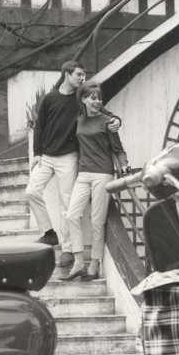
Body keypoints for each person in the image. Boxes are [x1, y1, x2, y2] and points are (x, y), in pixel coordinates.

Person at [63, 81, 130, 281]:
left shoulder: (108, 121)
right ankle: (78, 262)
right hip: (83, 174)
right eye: (93, 98)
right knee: (72, 215)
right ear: (83, 99)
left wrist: (124, 165)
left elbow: (118, 149)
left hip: (103, 173)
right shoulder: (79, 121)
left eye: (100, 98)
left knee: (97, 221)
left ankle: (94, 264)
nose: (97, 101)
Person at [25, 60, 86, 269]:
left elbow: (100, 111)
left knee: (67, 205)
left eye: (83, 75)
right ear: (67, 74)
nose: (82, 78)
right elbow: (39, 126)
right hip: (47, 156)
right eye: (78, 74)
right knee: (32, 191)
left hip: (68, 156)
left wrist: (115, 121)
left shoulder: (80, 100)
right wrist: (37, 153)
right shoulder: (50, 98)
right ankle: (49, 233)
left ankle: (67, 250)